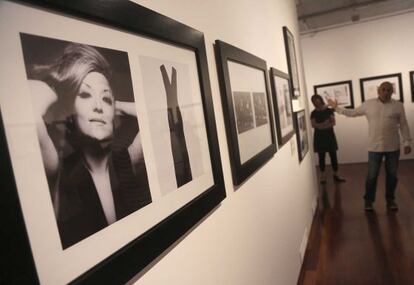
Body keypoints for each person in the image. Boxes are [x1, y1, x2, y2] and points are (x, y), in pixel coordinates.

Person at [28, 43, 152, 248]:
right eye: (85, 95)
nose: (98, 106)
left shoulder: (125, 162)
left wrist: (114, 104)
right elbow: (28, 104)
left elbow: (157, 116)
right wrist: (63, 90)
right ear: (70, 108)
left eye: (105, 99)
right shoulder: (57, 169)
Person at [328, 81, 411, 211]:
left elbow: (404, 124)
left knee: (392, 176)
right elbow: (353, 113)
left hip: (393, 147)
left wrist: (407, 142)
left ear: (392, 91)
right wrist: (336, 108)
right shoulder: (368, 104)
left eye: (389, 90)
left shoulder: (398, 106)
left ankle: (390, 201)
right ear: (378, 90)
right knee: (372, 175)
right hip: (374, 147)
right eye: (383, 89)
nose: (386, 92)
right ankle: (368, 201)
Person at [310, 94, 345, 184]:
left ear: (320, 100)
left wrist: (321, 126)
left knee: (333, 156)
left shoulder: (328, 110)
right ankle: (323, 176)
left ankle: (336, 174)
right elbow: (313, 125)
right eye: (314, 101)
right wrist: (324, 123)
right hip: (319, 137)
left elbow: (333, 122)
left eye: (317, 99)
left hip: (329, 136)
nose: (316, 102)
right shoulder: (313, 113)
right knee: (321, 157)